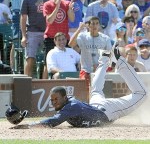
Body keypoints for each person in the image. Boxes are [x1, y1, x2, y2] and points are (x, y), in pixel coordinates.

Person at [11, 47, 147, 129]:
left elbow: (52, 121)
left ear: (65, 97)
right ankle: (105, 58)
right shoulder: (69, 105)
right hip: (96, 105)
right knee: (96, 90)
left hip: (108, 110)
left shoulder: (71, 106)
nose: (54, 102)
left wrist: (28, 126)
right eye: (52, 100)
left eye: (56, 99)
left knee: (141, 93)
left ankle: (120, 61)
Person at [68, 16, 112, 88]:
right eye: (92, 23)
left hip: (100, 71)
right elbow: (71, 44)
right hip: (86, 71)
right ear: (88, 25)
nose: (95, 26)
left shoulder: (105, 38)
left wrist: (100, 65)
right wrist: (79, 29)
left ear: (99, 25)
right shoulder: (83, 36)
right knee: (84, 91)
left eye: (97, 23)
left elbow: (109, 57)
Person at [42, 0, 75, 79]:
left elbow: (72, 19)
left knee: (66, 61)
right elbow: (50, 20)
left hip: (64, 39)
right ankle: (44, 84)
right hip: (50, 38)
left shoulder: (67, 3)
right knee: (47, 64)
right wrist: (57, 7)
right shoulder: (47, 4)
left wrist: (70, 10)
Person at [20, 0, 50, 77]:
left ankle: (45, 84)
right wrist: (24, 36)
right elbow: (23, 18)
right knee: (30, 59)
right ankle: (25, 82)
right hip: (32, 32)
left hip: (47, 32)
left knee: (48, 60)